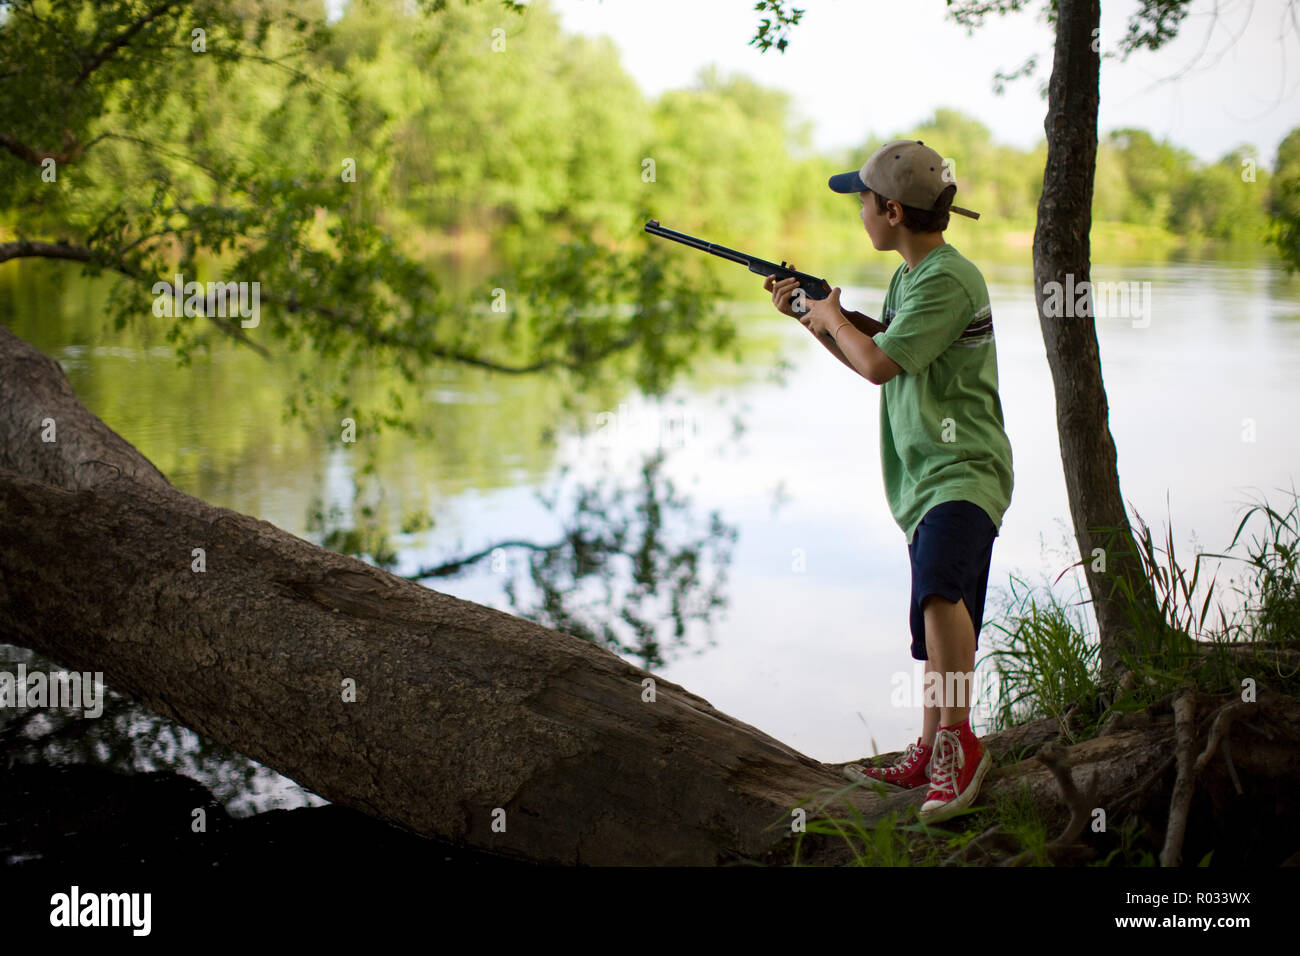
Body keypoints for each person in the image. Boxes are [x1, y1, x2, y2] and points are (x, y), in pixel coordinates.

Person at [764, 139, 1013, 823]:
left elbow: (875, 364)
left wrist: (834, 316)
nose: (860, 211)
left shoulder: (945, 279)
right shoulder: (910, 281)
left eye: (864, 202)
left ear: (893, 210)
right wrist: (816, 321)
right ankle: (933, 742)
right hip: (924, 477)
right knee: (931, 616)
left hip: (963, 471)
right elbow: (876, 358)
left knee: (940, 591)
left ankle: (959, 747)